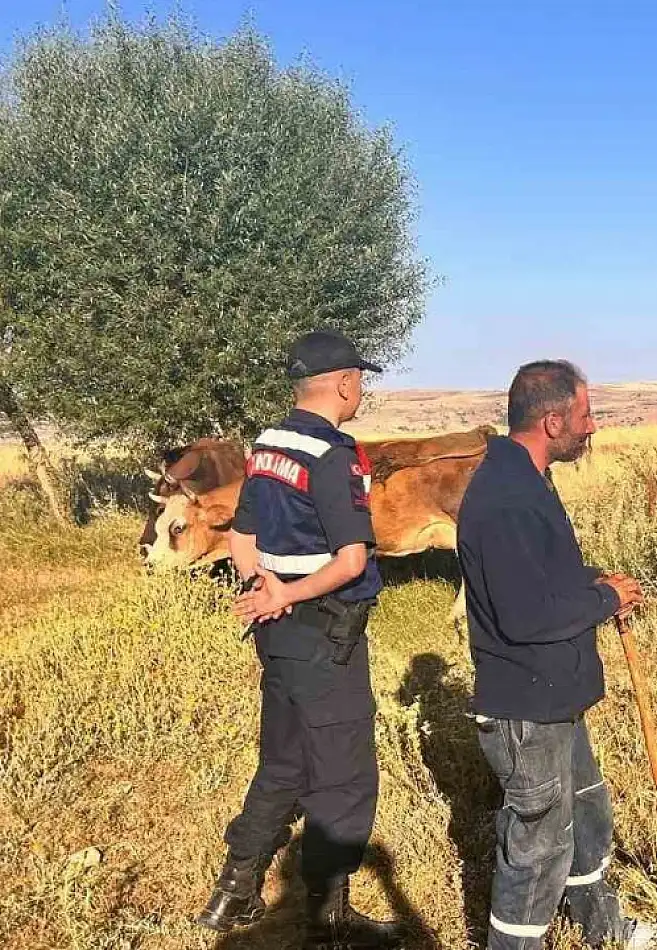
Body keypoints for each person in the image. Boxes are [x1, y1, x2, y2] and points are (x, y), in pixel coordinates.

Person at [196, 330, 401, 947]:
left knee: (283, 762)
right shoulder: (334, 454)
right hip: (323, 632)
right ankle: (327, 916)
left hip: (278, 634)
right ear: (342, 383)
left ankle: (232, 893)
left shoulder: (268, 444)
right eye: (359, 380)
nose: (360, 389)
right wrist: (287, 592)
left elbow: (242, 536)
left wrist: (264, 586)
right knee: (344, 776)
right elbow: (350, 560)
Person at [456, 360, 657, 950]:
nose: (592, 426)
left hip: (554, 694)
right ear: (552, 421)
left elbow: (544, 581)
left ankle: (603, 931)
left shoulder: (528, 478)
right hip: (527, 708)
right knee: (537, 848)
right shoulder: (506, 499)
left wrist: (598, 585)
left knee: (587, 820)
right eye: (585, 415)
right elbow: (525, 616)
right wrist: (601, 600)